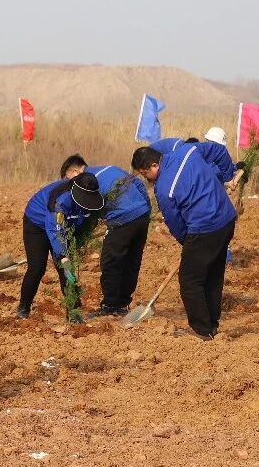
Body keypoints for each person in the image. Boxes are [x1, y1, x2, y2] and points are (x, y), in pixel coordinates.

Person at [132, 138, 237, 339]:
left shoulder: (163, 188)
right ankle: (212, 325)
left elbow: (175, 223)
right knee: (213, 274)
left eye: (146, 174)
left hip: (203, 229)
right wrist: (226, 175)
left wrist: (188, 243)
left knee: (190, 280)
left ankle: (201, 330)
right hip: (226, 220)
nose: (147, 179)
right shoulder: (188, 151)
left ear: (154, 165)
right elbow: (219, 151)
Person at [16, 169, 104, 322]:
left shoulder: (91, 200)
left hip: (65, 226)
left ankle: (73, 312)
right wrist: (63, 256)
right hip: (38, 225)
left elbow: (86, 220)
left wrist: (80, 237)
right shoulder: (59, 201)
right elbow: (55, 231)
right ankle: (23, 307)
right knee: (37, 268)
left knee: (67, 273)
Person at [84, 162, 152, 318]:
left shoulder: (88, 180)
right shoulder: (111, 169)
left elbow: (90, 208)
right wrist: (146, 211)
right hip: (141, 215)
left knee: (110, 261)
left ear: (73, 171)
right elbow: (139, 185)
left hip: (121, 219)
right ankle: (122, 303)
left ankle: (110, 305)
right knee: (131, 260)